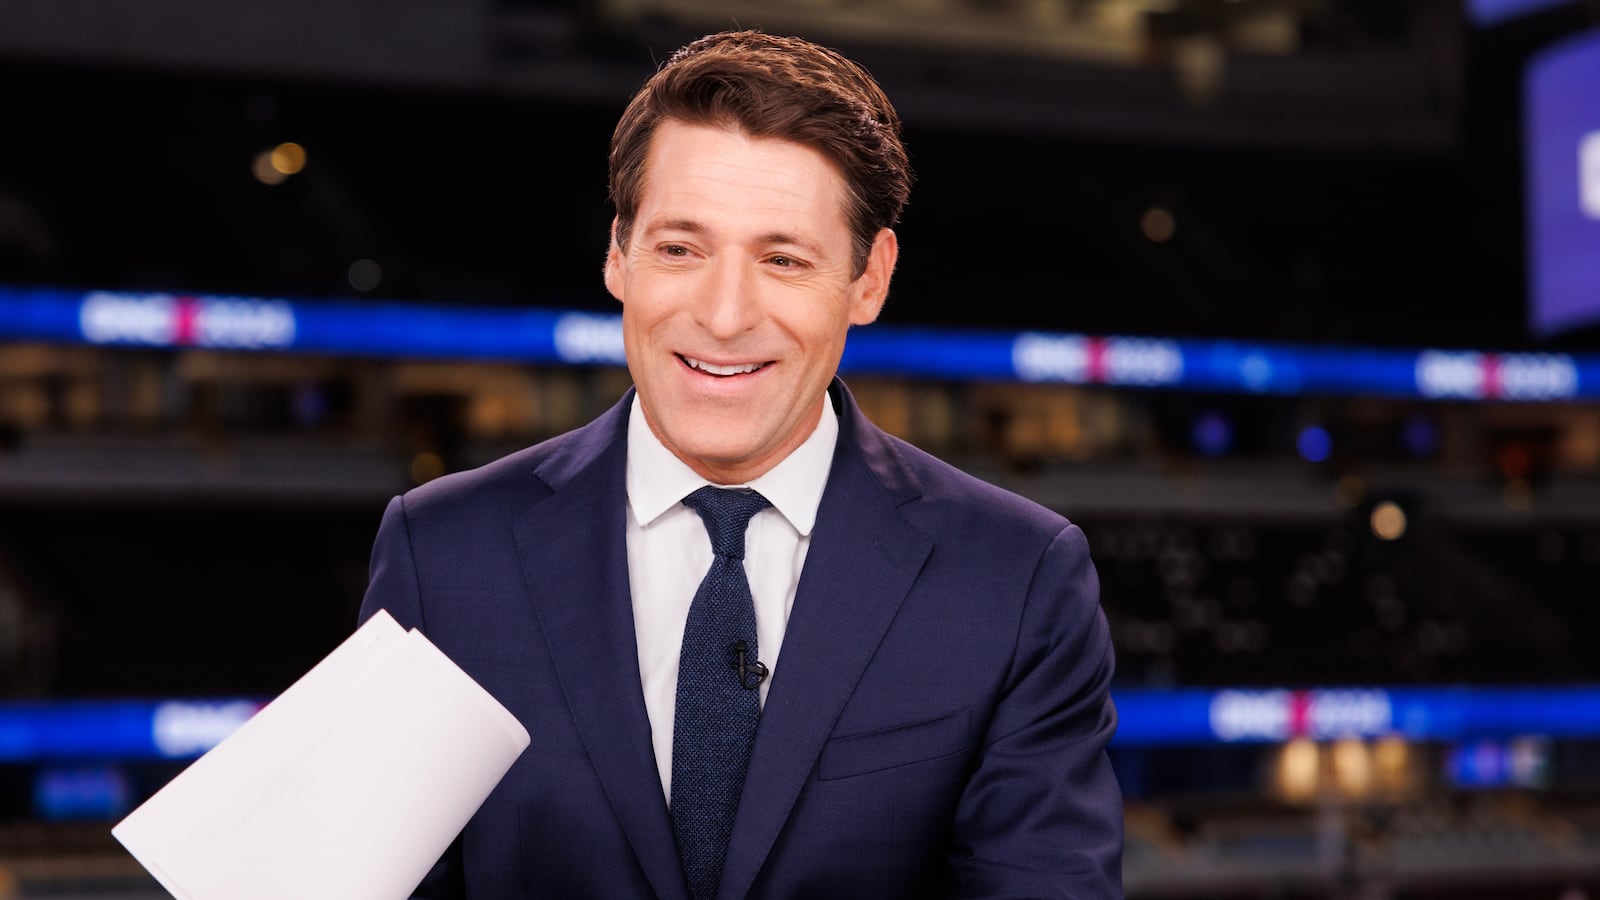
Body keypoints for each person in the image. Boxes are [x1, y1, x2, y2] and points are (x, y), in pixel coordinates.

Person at [359, 29, 1122, 899]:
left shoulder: (1017, 578)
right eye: (680, 249)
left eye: (782, 259)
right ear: (618, 255)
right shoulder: (441, 553)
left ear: (870, 279)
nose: (724, 316)